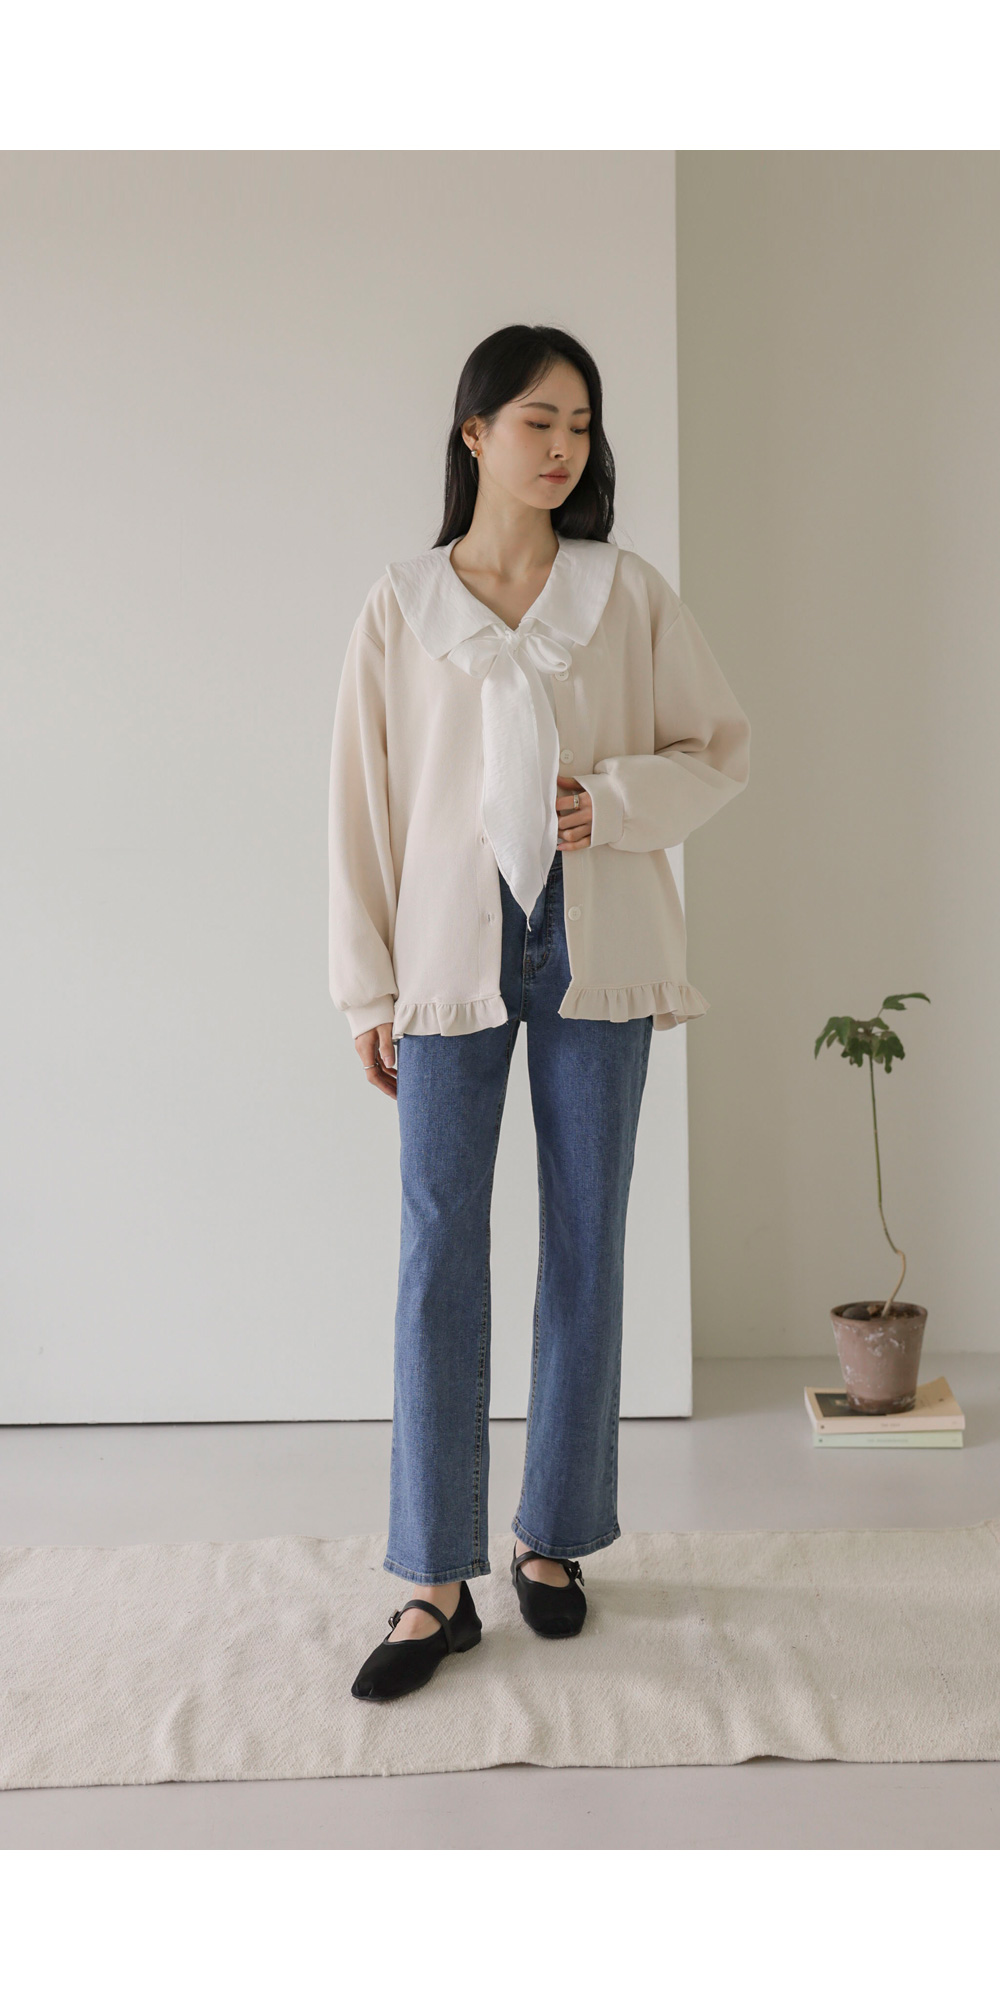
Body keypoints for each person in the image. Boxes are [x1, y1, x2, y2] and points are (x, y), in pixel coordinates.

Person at [328, 323, 751, 1703]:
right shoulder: (402, 606)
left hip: (595, 941)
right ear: (475, 434)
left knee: (588, 1239)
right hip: (448, 950)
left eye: (580, 424)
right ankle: (433, 1580)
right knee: (438, 1249)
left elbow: (718, 746)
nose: (563, 447)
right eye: (536, 422)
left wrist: (613, 803)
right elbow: (362, 806)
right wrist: (367, 987)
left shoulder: (624, 593)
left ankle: (553, 1537)